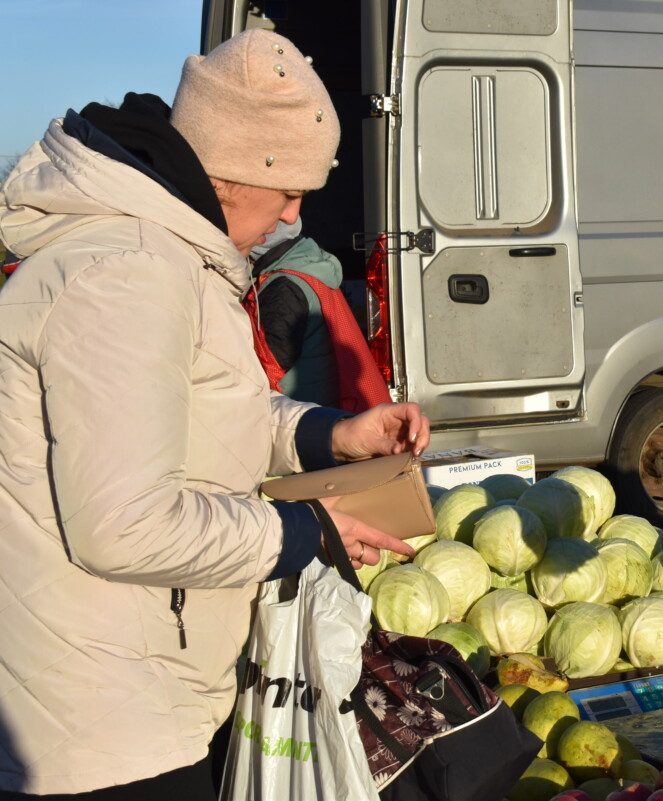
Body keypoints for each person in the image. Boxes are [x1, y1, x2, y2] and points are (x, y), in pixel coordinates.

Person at [0, 29, 430, 799]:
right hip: (100, 723)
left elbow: (196, 409)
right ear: (235, 171)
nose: (295, 215)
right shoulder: (125, 273)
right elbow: (125, 522)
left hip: (136, 685)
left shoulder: (168, 254)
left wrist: (327, 432)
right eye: (291, 189)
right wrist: (309, 532)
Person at [247, 217, 390, 410]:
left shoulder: (285, 286)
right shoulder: (307, 267)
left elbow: (262, 371)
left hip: (298, 419)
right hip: (319, 411)